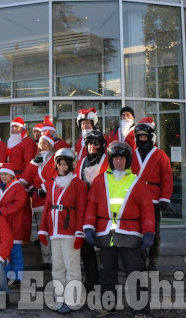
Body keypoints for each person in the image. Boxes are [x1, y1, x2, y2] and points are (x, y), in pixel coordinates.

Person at [84, 142, 155, 317]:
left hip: (130, 233)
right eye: (115, 158)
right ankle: (108, 306)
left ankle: (141, 310)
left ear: (128, 160)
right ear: (110, 160)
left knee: (134, 273)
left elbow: (147, 208)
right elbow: (92, 206)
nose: (118, 162)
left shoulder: (136, 181)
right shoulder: (100, 180)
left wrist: (149, 233)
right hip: (106, 233)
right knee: (107, 273)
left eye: (122, 158)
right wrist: (88, 227)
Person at [38, 148, 88, 314]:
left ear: (71, 165)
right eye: (60, 164)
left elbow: (81, 209)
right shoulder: (52, 184)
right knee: (57, 268)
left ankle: (73, 301)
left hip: (70, 232)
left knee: (72, 269)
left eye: (65, 164)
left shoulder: (79, 184)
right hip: (55, 231)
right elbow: (47, 208)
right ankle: (59, 298)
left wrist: (80, 232)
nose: (62, 167)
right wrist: (43, 230)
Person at [131, 117, 173, 271]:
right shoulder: (131, 154)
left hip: (154, 199)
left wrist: (165, 197)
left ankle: (153, 259)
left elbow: (167, 177)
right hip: (136, 200)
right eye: (140, 136)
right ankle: (140, 258)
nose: (143, 139)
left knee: (154, 231)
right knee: (137, 230)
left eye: (145, 136)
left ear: (151, 137)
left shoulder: (160, 155)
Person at [74, 129, 108, 290]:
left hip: (104, 209)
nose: (92, 147)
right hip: (84, 208)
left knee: (105, 245)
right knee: (86, 247)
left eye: (96, 144)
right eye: (89, 144)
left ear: (102, 146)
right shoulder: (80, 162)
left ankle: (106, 276)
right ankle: (91, 277)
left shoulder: (108, 161)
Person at [23, 130, 56, 270]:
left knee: (52, 230)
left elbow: (56, 176)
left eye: (44, 143)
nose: (41, 145)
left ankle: (56, 258)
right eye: (40, 143)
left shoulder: (55, 158)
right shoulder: (35, 159)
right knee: (42, 231)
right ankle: (46, 259)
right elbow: (27, 177)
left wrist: (44, 187)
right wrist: (33, 164)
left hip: (50, 198)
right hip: (37, 199)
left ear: (50, 144)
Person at [0, 162, 28, 286]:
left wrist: (1, 211)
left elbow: (18, 206)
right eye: (1, 174)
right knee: (5, 250)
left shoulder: (18, 188)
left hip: (14, 223)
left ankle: (17, 277)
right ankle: (7, 276)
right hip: (2, 223)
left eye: (5, 174)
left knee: (15, 251)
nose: (3, 177)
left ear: (12, 175)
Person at [6, 117, 36, 244]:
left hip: (21, 179)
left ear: (23, 128)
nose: (14, 129)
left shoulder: (28, 142)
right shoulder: (11, 142)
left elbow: (29, 163)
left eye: (16, 127)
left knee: (24, 210)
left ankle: (24, 237)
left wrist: (24, 180)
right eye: (12, 127)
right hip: (10, 180)